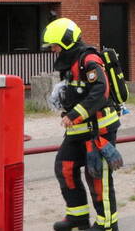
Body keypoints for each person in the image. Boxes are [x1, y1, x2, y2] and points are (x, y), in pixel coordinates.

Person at [44, 18, 120, 231]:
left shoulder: (89, 58)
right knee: (65, 167)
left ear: (66, 41)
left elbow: (101, 91)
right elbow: (77, 90)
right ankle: (77, 218)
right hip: (78, 128)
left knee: (96, 175)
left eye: (55, 45)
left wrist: (75, 113)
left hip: (99, 129)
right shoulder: (70, 61)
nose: (53, 50)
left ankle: (107, 225)